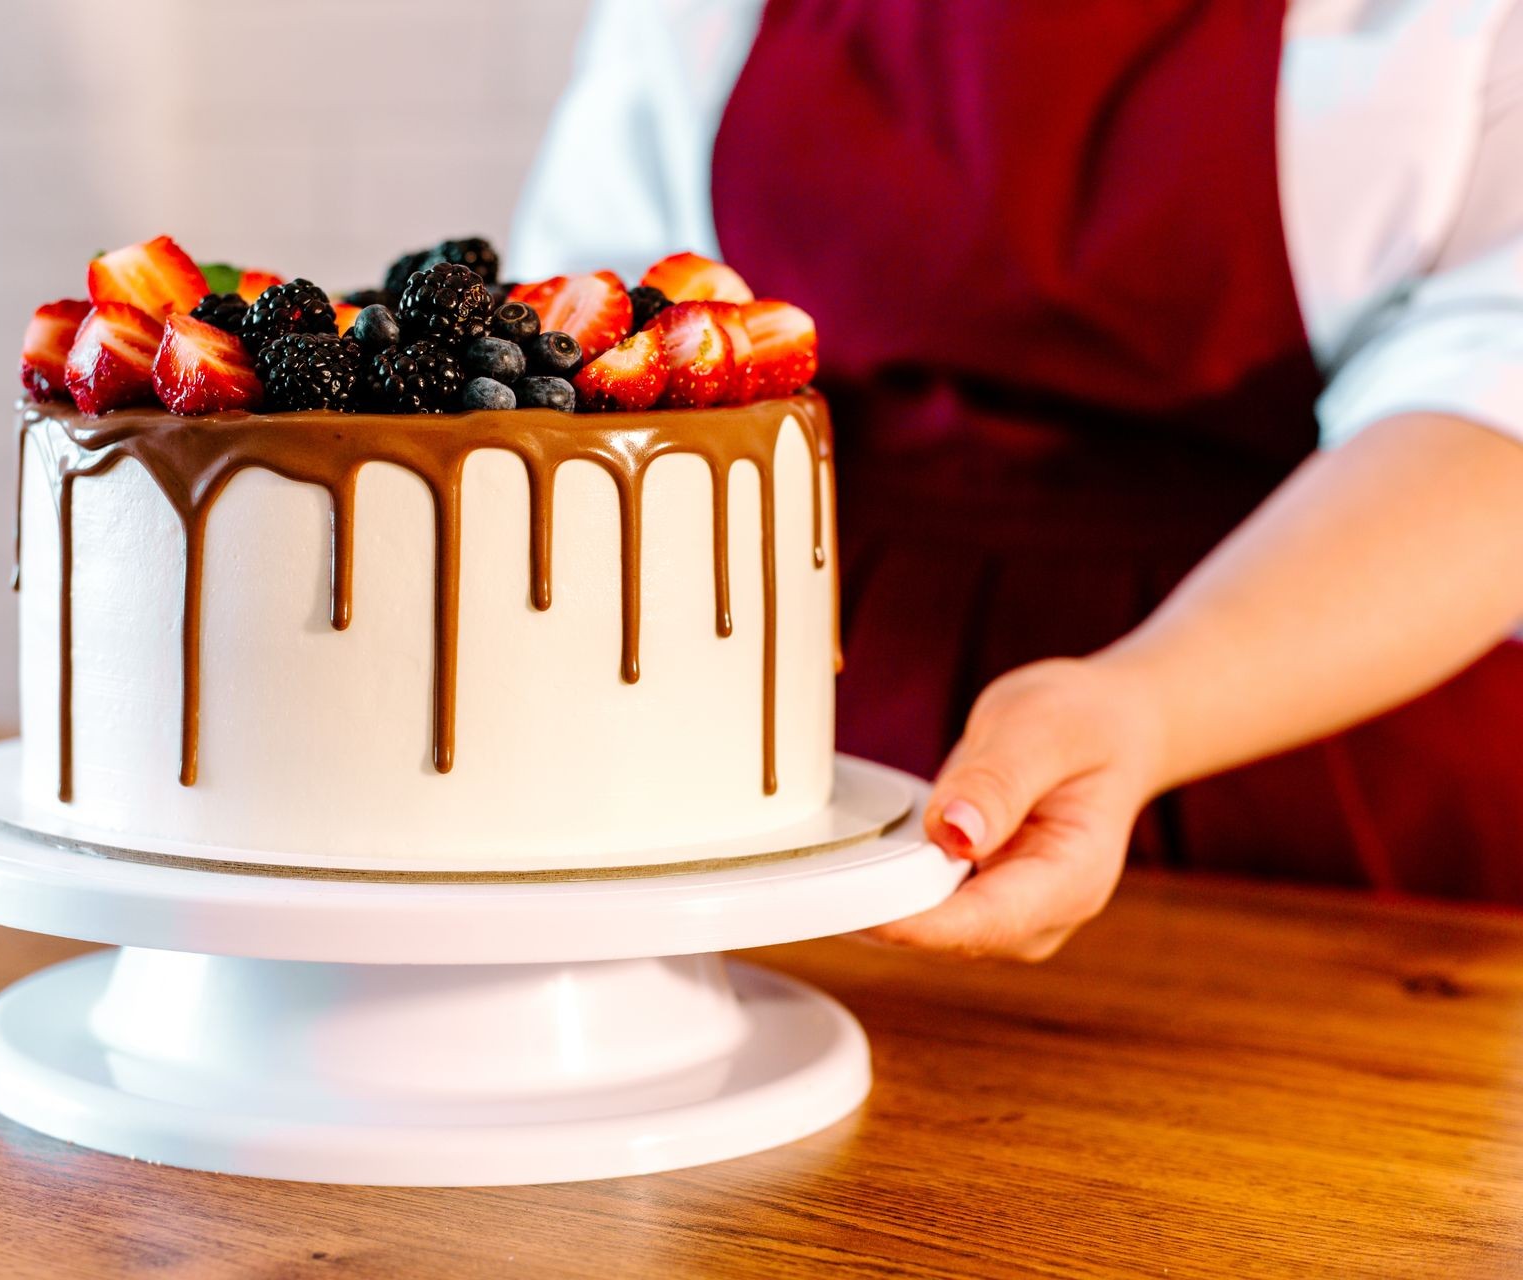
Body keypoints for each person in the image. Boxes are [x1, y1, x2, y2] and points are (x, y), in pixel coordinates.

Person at [511, 0, 1523, 959]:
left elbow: (1494, 405)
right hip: (803, 746)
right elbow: (588, 366)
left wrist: (1149, 706)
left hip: (1313, 762)